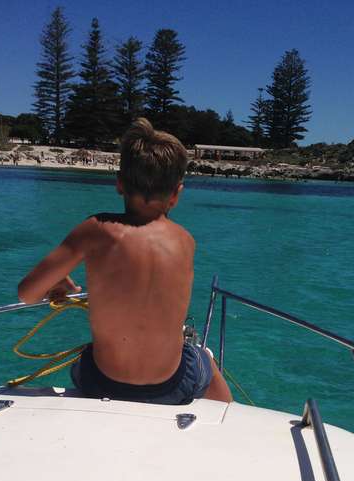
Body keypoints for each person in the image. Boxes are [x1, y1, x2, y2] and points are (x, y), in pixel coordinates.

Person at [18, 118, 233, 404]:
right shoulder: (186, 240)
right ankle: (230, 414)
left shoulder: (95, 229)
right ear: (176, 194)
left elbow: (27, 294)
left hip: (100, 383)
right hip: (172, 388)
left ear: (119, 184)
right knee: (203, 357)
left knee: (84, 359)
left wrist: (59, 281)